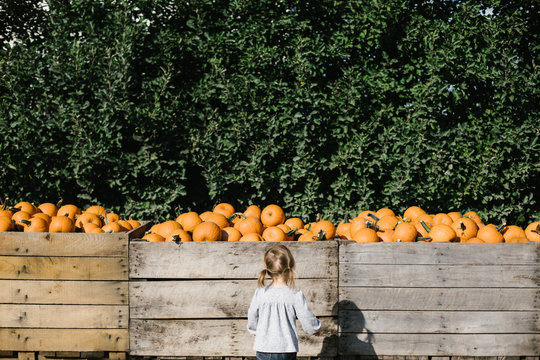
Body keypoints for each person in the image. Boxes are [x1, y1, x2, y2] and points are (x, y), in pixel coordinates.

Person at [247, 244, 321, 360]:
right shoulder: (295, 295)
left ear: (268, 270)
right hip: (286, 349)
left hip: (263, 347)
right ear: (290, 268)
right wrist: (314, 328)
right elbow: (306, 317)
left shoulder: (260, 293)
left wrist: (254, 329)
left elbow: (252, 314)